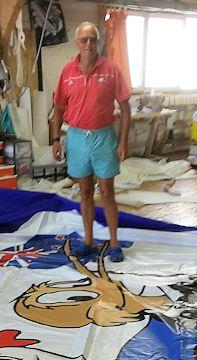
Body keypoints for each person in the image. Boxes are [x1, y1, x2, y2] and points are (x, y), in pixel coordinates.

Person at [51, 21, 131, 263]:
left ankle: (114, 244)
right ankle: (88, 241)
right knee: (85, 191)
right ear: (77, 43)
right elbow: (58, 108)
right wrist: (56, 139)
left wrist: (123, 142)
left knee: (107, 192)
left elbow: (126, 109)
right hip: (76, 137)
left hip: (104, 136)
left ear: (98, 42)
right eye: (83, 40)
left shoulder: (111, 69)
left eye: (93, 39)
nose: (88, 44)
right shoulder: (67, 71)